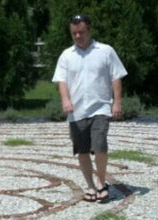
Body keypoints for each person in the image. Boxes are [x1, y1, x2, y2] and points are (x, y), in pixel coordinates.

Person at [51, 14, 127, 203]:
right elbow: (61, 80)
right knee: (82, 150)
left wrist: (116, 102)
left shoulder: (106, 51)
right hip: (76, 111)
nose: (78, 36)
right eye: (74, 33)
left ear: (89, 30)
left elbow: (116, 76)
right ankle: (91, 186)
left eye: (81, 32)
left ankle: (101, 182)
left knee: (99, 145)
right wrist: (65, 100)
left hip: (100, 107)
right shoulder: (67, 55)